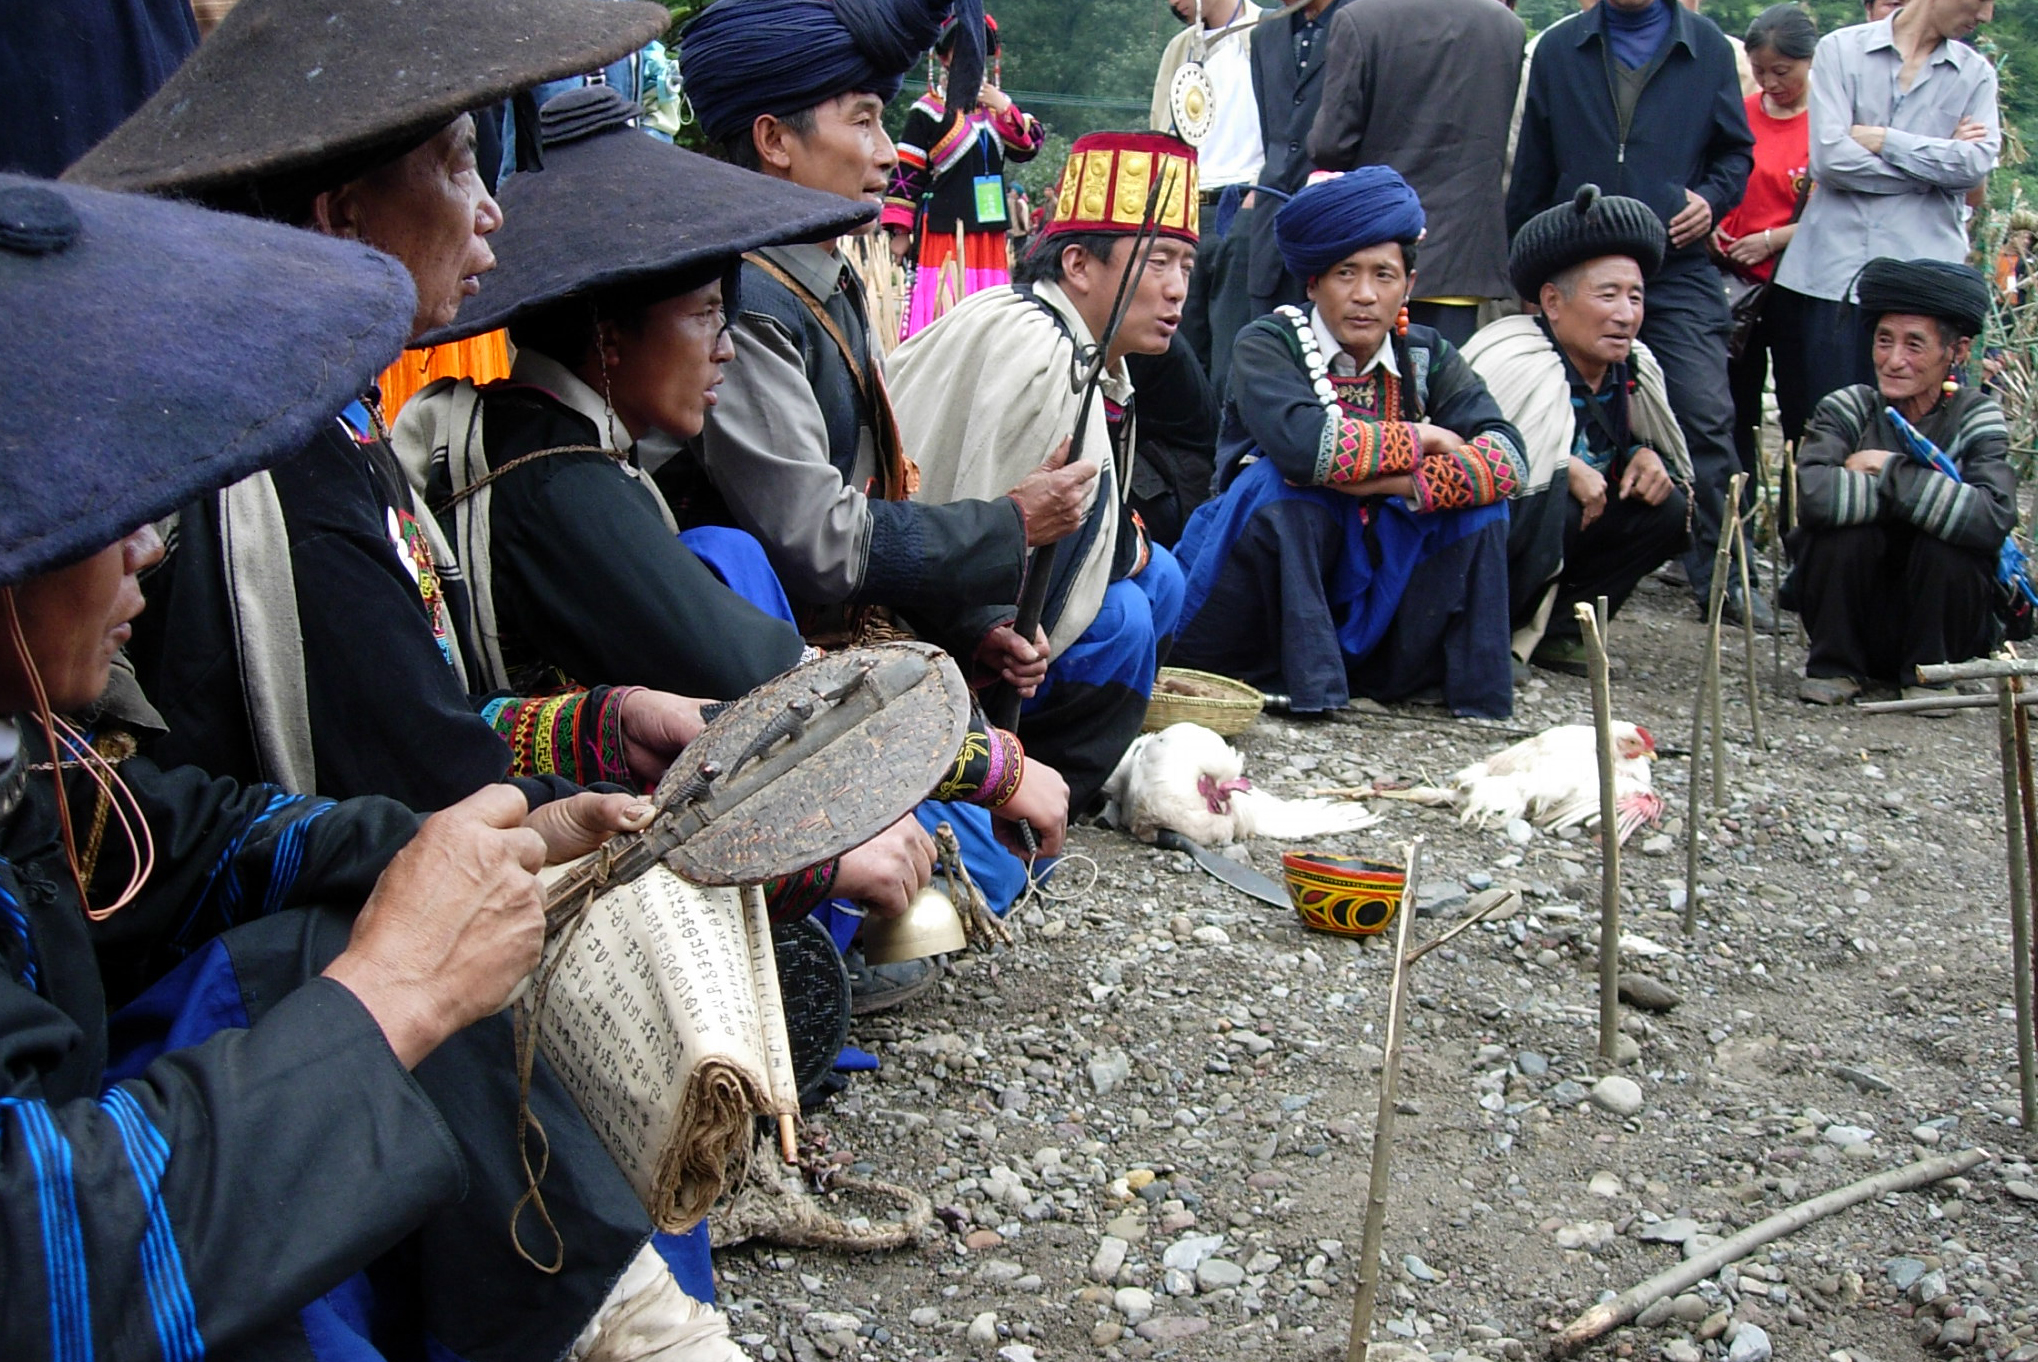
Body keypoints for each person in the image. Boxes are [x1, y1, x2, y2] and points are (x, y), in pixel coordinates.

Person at [0, 169, 712, 1362]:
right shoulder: (484, 472)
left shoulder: (359, 445)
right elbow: (31, 1264)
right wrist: (396, 987)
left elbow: (180, 832)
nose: (147, 546)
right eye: (98, 503)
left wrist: (531, 811)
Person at [393, 86, 1069, 868]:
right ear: (610, 339)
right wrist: (993, 765)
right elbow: (759, 674)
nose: (727, 349)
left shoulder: (549, 440)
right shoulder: (556, 478)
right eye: (706, 316)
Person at [676, 0, 1124, 808]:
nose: (888, 155)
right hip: (758, 662)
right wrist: (1010, 523)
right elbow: (820, 543)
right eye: (865, 123)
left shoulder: (828, 279)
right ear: (776, 141)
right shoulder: (740, 303)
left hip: (849, 633)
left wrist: (969, 628)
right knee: (968, 856)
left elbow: (878, 499)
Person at [886, 131, 1194, 807]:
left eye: (1187, 267)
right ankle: (1035, 783)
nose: (1177, 290)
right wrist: (1125, 549)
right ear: (1079, 265)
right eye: (1159, 262)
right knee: (1128, 617)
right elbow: (1009, 521)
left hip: (943, 578)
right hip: (928, 617)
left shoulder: (1034, 320)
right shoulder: (1046, 354)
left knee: (1162, 576)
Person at [1171, 168, 1525, 717]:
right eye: (1344, 273)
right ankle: (1308, 686)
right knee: (1283, 490)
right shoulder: (1269, 342)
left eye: (1384, 275)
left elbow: (1509, 458)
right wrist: (1426, 436)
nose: (1364, 295)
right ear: (1313, 283)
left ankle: (1468, 695)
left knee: (1483, 506)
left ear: (1408, 284)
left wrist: (1393, 484)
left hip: (1374, 581)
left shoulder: (1429, 355)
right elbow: (1303, 449)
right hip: (1258, 585)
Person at [1508, 0, 1760, 630]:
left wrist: (1712, 200)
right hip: (1576, 259)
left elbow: (1736, 153)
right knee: (1548, 416)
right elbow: (1534, 167)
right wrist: (1529, 272)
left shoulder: (1706, 49)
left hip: (1672, 261)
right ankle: (1544, 599)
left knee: (1704, 411)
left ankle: (1724, 578)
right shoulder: (1561, 49)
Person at [1465, 186, 1694, 676]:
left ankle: (1566, 630)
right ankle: (1489, 632)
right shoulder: (1511, 357)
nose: (1625, 314)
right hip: (1502, 539)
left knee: (1665, 506)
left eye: (1635, 297)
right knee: (1551, 499)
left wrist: (1647, 456)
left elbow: (1652, 447)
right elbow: (1470, 461)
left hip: (1583, 524)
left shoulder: (1634, 369)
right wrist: (1561, 468)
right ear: (1552, 301)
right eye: (1607, 295)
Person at [1789, 259, 2015, 707]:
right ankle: (1837, 665)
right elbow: (1814, 497)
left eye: (1915, 345)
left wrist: (1887, 470)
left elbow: (1991, 518)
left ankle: (1930, 676)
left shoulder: (1976, 415)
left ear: (1958, 351)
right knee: (1843, 536)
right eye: (1884, 341)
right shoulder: (1848, 408)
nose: (1894, 361)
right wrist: (1935, 499)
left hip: (1946, 633)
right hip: (1857, 617)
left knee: (1948, 546)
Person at [1772, 0, 1998, 412]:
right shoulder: (1840, 50)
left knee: (1915, 437)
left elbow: (1975, 168)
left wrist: (1885, 141)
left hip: (1925, 287)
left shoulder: (1975, 74)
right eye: (1983, 1)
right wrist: (1936, 168)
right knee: (1824, 430)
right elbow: (1831, 160)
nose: (1986, 15)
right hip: (1830, 280)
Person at [1306, 0, 1526, 349]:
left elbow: (1331, 146)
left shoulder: (1360, 19)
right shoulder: (1505, 26)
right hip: (1463, 254)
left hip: (1377, 248)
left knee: (1372, 395)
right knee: (1446, 388)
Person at [1712, 3, 1816, 530]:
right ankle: (1737, 525)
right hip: (1732, 284)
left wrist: (1772, 240)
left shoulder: (1826, 124)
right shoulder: (1741, 113)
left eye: (1784, 73)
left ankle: (1800, 530)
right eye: (1761, 71)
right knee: (1735, 410)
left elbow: (1838, 215)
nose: (1772, 83)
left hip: (1795, 286)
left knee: (1802, 412)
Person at [884, 13, 1043, 340]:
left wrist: (1003, 106)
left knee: (988, 314)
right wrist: (899, 231)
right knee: (945, 307)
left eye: (978, 46)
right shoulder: (927, 110)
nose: (972, 53)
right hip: (943, 232)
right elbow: (907, 174)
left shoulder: (998, 112)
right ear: (944, 56)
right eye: (962, 46)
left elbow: (1028, 147)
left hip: (989, 234)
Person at [1151, 0, 1266, 395]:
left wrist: (1258, 197)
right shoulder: (1179, 49)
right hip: (1183, 212)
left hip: (1245, 206)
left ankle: (1230, 453)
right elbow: (1160, 132)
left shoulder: (1267, 34)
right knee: (1179, 352)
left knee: (1233, 357)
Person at [1245, 0, 1352, 316]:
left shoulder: (1360, 23)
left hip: (1333, 226)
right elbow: (1273, 134)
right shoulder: (1265, 33)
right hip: (1271, 231)